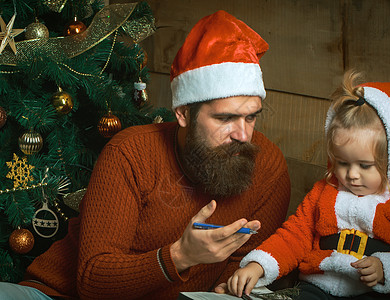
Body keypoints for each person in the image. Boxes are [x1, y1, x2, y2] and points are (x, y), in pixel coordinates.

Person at [0, 10, 291, 300]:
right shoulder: (129, 153)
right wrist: (180, 255)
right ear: (183, 114)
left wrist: (228, 287)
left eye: (251, 118)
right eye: (225, 119)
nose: (242, 135)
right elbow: (92, 283)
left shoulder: (268, 168)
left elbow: (242, 268)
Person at [221, 71, 390, 299]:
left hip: (376, 292)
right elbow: (294, 235)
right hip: (318, 287)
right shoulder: (324, 193)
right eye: (342, 163)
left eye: (365, 165)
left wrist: (386, 269)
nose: (352, 175)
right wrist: (258, 265)